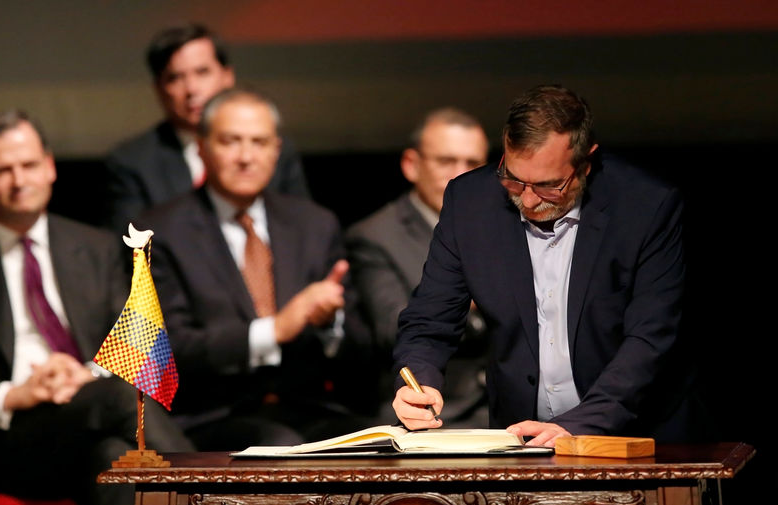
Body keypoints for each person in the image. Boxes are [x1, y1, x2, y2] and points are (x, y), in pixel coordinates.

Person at [391, 84, 705, 448]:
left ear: (586, 162)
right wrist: (418, 381)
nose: (527, 199)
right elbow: (429, 320)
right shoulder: (469, 202)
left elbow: (651, 337)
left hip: (638, 435)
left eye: (548, 186)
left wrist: (580, 423)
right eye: (513, 178)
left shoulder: (645, 206)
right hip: (520, 440)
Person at [0, 110, 195, 505]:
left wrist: (86, 375)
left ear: (51, 166)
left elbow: (138, 345)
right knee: (120, 398)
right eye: (3, 170)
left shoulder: (94, 247)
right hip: (9, 435)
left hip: (91, 420)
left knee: (120, 465)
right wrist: (11, 395)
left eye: (29, 165)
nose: (20, 180)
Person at [136, 86, 372, 452]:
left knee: (382, 441)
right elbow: (170, 349)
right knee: (280, 446)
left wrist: (328, 323)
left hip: (308, 408)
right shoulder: (161, 232)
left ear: (276, 151)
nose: (246, 157)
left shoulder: (313, 224)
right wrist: (274, 330)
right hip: (212, 416)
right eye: (231, 141)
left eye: (259, 143)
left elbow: (362, 344)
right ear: (201, 147)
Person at [345, 107, 491, 426]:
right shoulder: (375, 236)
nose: (460, 174)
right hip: (435, 408)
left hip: (509, 404)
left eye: (473, 163)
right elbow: (394, 327)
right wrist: (471, 296)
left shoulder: (503, 226)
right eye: (446, 161)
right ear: (412, 165)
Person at [103, 23, 309, 235]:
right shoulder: (133, 162)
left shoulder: (271, 150)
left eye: (202, 72)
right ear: (158, 88)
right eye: (175, 77)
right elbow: (131, 249)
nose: (192, 89)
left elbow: (303, 229)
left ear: (228, 76)